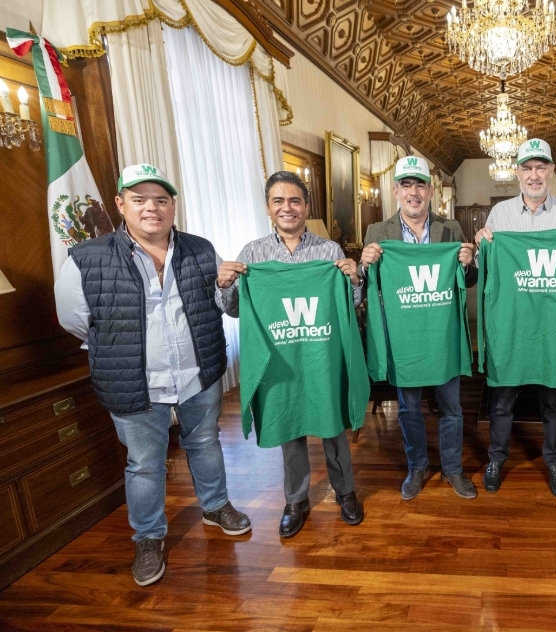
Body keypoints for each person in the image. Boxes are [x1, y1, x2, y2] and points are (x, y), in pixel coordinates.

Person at [54, 163, 251, 587]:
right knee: (144, 464)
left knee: (205, 442)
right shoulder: (86, 259)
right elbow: (74, 320)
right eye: (140, 199)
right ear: (120, 204)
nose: (152, 208)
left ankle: (216, 506)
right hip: (133, 381)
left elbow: (228, 305)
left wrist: (224, 286)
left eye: (161, 200)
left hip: (198, 373)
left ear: (172, 206)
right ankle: (148, 537)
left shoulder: (201, 250)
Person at [215, 171, 364, 538]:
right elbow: (234, 309)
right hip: (280, 357)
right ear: (268, 208)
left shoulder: (329, 251)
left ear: (306, 206)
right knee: (289, 424)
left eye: (295, 200)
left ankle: (345, 491)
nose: (287, 208)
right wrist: (224, 284)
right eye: (278, 201)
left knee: (332, 424)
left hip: (321, 353)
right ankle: (296, 500)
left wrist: (354, 280)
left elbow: (350, 304)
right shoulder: (252, 254)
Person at [474, 138, 556, 497]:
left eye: (541, 167)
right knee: (502, 400)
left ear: (551, 171)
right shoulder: (500, 215)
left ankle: (554, 461)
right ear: (517, 172)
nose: (534, 175)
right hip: (513, 326)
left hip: (552, 327)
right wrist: (482, 244)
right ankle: (496, 459)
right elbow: (486, 270)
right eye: (527, 168)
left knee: (554, 401)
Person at [360, 156, 478, 500]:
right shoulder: (377, 232)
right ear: (395, 190)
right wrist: (364, 266)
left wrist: (468, 264)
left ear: (431, 191)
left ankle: (453, 468)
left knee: (452, 407)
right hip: (404, 335)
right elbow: (367, 283)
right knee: (409, 408)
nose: (414, 192)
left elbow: (469, 279)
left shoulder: (450, 228)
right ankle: (417, 466)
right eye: (406, 185)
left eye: (420, 185)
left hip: (443, 333)